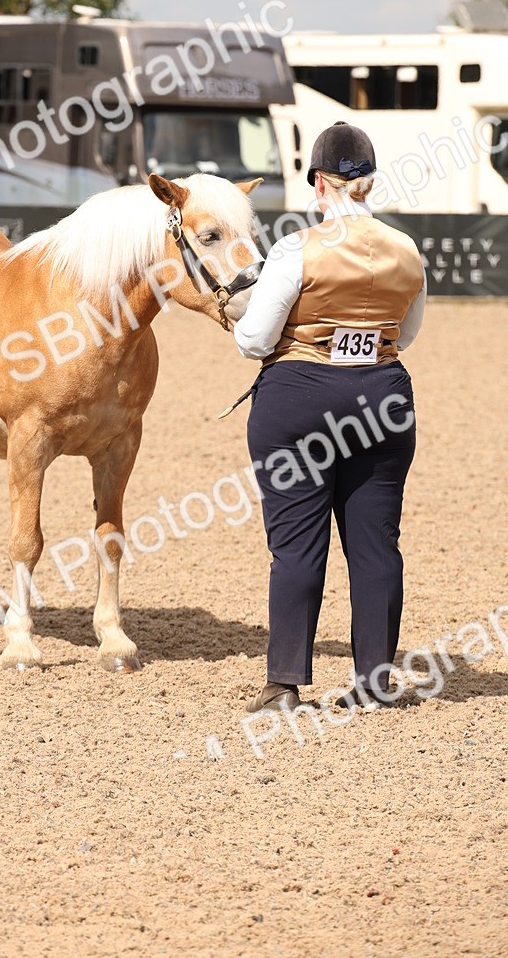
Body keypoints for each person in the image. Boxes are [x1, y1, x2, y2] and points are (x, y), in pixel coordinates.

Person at [235, 121, 426, 713]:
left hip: (300, 399)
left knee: (295, 546)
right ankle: (374, 682)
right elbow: (407, 333)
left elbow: (254, 339)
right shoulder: (407, 249)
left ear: (321, 182)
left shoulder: (297, 247)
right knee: (376, 546)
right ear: (368, 182)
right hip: (384, 400)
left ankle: (285, 684)